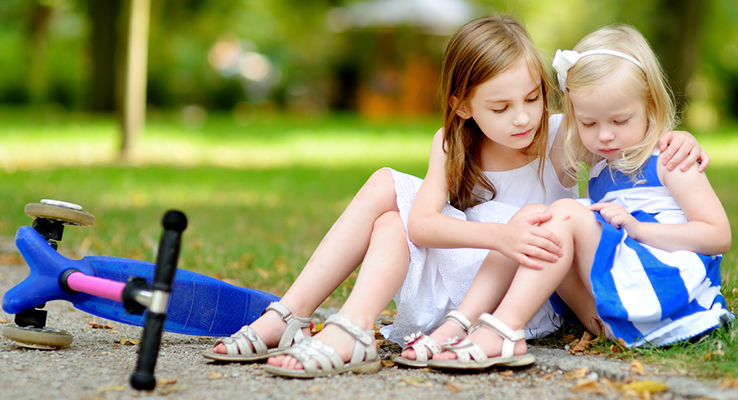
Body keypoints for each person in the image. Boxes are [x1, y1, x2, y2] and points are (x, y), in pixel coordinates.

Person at [201, 15, 706, 377]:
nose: (523, 118)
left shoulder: (561, 136)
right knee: (386, 202)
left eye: (533, 98)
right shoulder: (450, 144)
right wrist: (498, 235)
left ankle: (310, 322)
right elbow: (421, 226)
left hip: (515, 291)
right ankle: (308, 318)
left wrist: (679, 138)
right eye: (501, 106)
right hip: (455, 280)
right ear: (462, 106)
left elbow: (624, 133)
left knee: (400, 193)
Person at [427, 25, 732, 370]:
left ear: (651, 104)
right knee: (537, 220)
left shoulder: (669, 159)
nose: (604, 135)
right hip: (614, 309)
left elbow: (718, 236)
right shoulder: (601, 169)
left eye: (620, 119)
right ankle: (477, 322)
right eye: (588, 123)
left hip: (664, 291)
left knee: (565, 213)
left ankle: (506, 327)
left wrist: (640, 230)